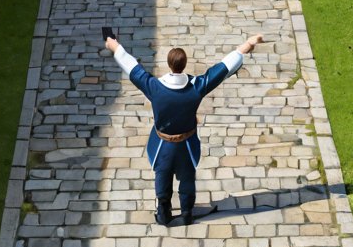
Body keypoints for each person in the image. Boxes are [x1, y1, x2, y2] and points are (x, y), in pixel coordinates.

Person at [103, 29, 265, 225]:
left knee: (162, 177)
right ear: (184, 64)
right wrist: (248, 44)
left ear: (169, 64)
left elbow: (131, 66)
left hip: (162, 145)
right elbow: (223, 68)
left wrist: (114, 46)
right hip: (186, 145)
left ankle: (164, 213)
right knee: (187, 179)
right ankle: (187, 213)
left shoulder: (154, 87)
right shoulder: (197, 87)